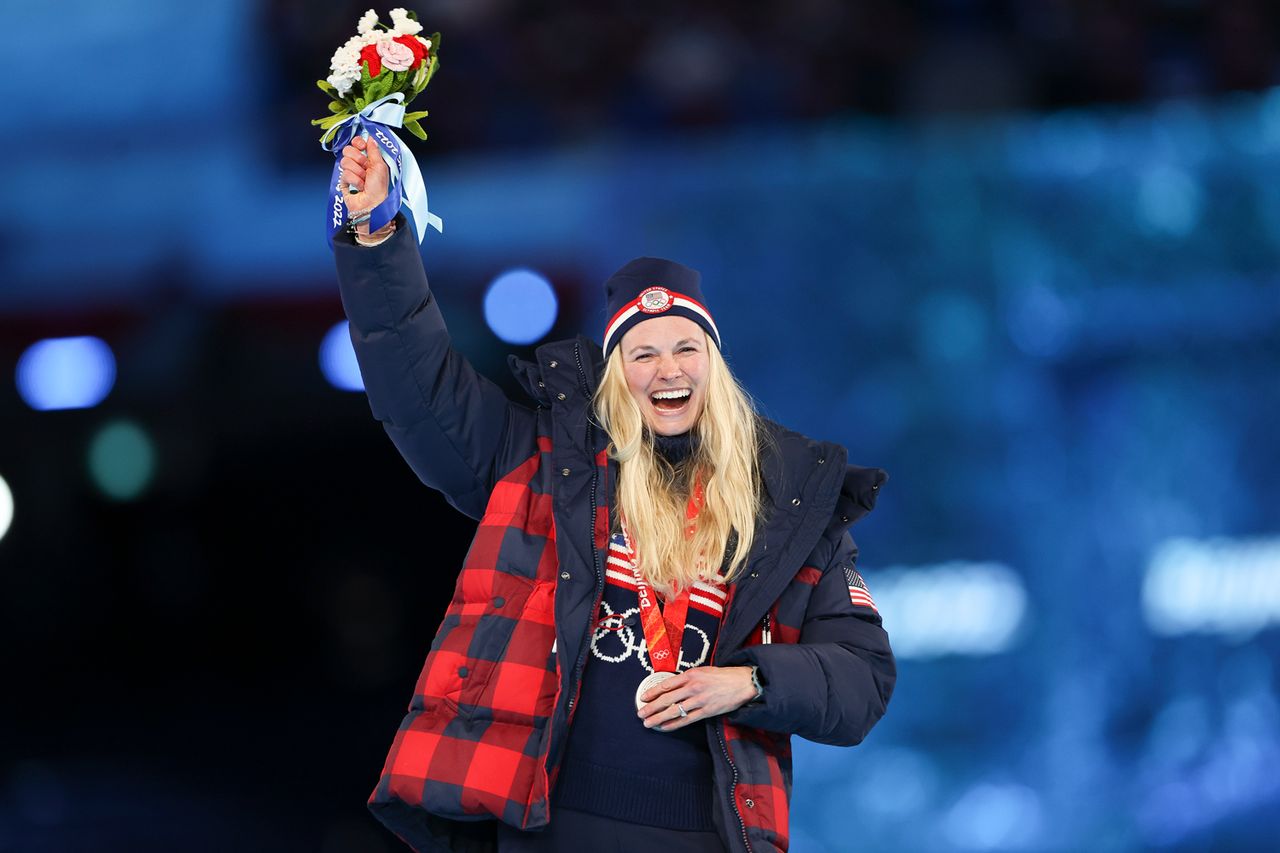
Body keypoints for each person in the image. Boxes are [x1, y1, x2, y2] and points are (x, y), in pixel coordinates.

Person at [332, 136, 895, 853]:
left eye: (687, 347)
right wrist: (376, 238)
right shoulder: (545, 466)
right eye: (644, 351)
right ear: (616, 374)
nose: (669, 367)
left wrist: (749, 682)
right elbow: (421, 389)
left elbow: (861, 679)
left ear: (715, 366)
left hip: (706, 834)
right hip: (551, 826)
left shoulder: (787, 502)